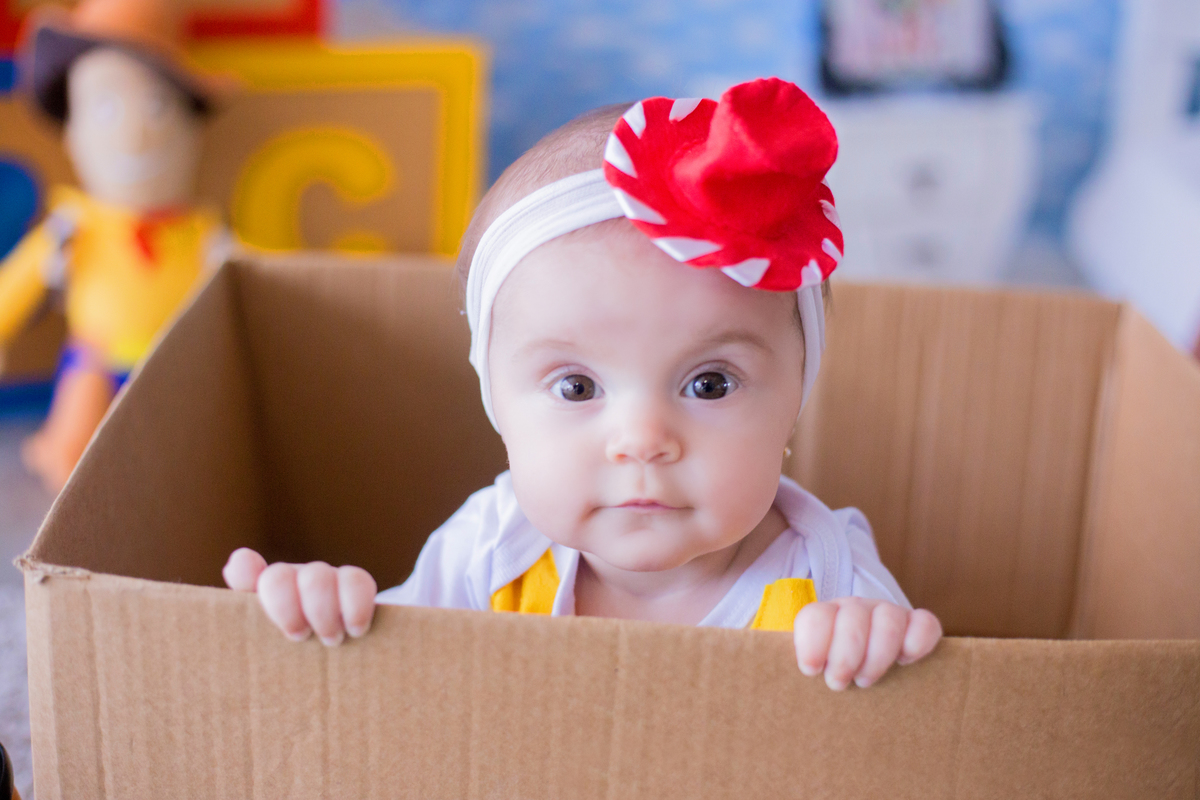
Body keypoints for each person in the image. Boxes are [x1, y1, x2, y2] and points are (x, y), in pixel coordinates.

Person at [224, 78, 943, 691]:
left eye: (710, 384)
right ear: (497, 407)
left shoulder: (829, 577)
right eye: (575, 388)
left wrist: (877, 651)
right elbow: (393, 690)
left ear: (796, 398)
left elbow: (914, 748)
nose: (642, 440)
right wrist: (328, 613)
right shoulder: (490, 552)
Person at [0, 0, 227, 491]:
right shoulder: (73, 227)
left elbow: (258, 275)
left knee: (187, 456)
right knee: (73, 458)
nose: (136, 135)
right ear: (72, 130)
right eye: (104, 107)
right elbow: (15, 286)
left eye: (157, 106)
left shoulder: (202, 234)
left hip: (172, 366)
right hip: (95, 363)